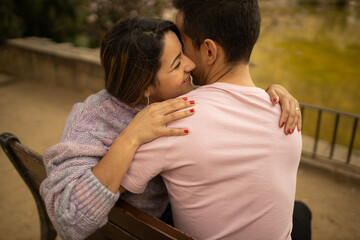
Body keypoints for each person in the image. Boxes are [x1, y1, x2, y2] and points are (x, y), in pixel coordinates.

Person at [40, 16, 301, 240]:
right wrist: (131, 136)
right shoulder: (92, 123)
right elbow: (68, 222)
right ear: (145, 86)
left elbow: (225, 91)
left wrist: (265, 95)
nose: (191, 64)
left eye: (184, 53)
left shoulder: (168, 98)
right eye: (177, 63)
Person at [120, 1, 304, 239]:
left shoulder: (176, 119)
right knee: (301, 214)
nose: (182, 56)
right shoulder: (287, 116)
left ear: (209, 51)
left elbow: (105, 189)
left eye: (182, 42)